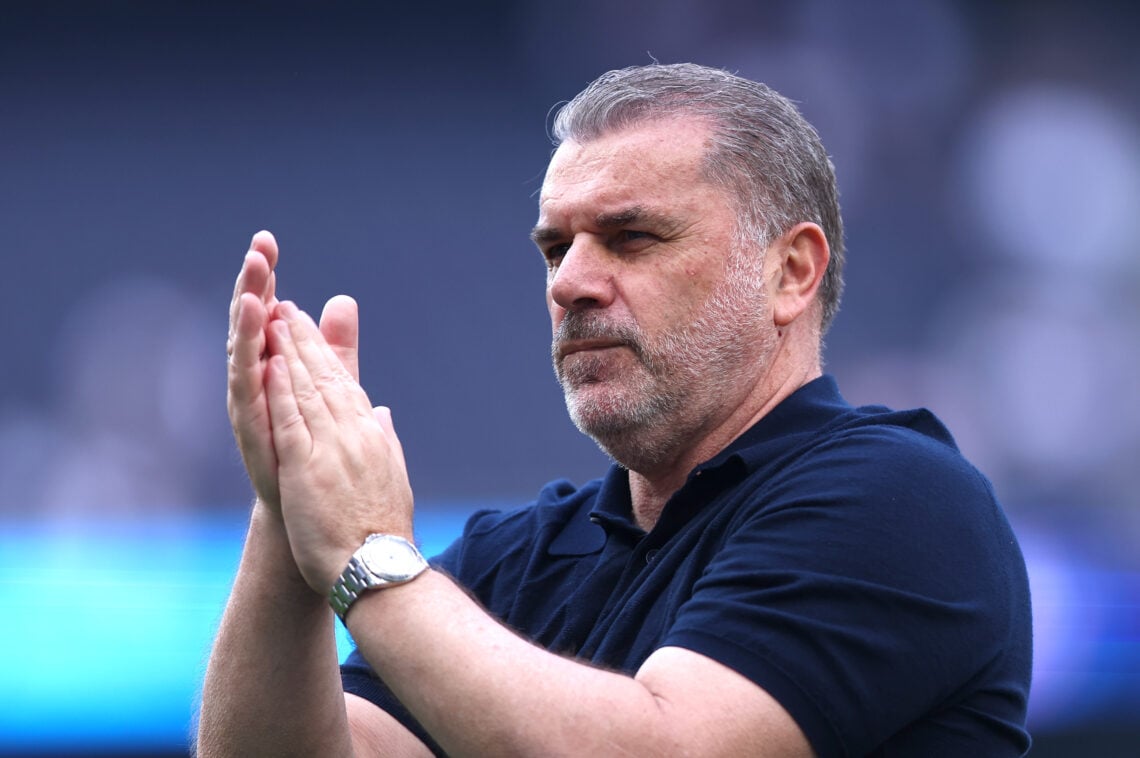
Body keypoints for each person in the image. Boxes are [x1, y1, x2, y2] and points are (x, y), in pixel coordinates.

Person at [198, 63, 1032, 756]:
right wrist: (290, 506)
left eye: (633, 238)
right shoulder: (511, 561)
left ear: (790, 272)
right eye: (556, 247)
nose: (568, 282)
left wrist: (367, 554)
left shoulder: (903, 500)